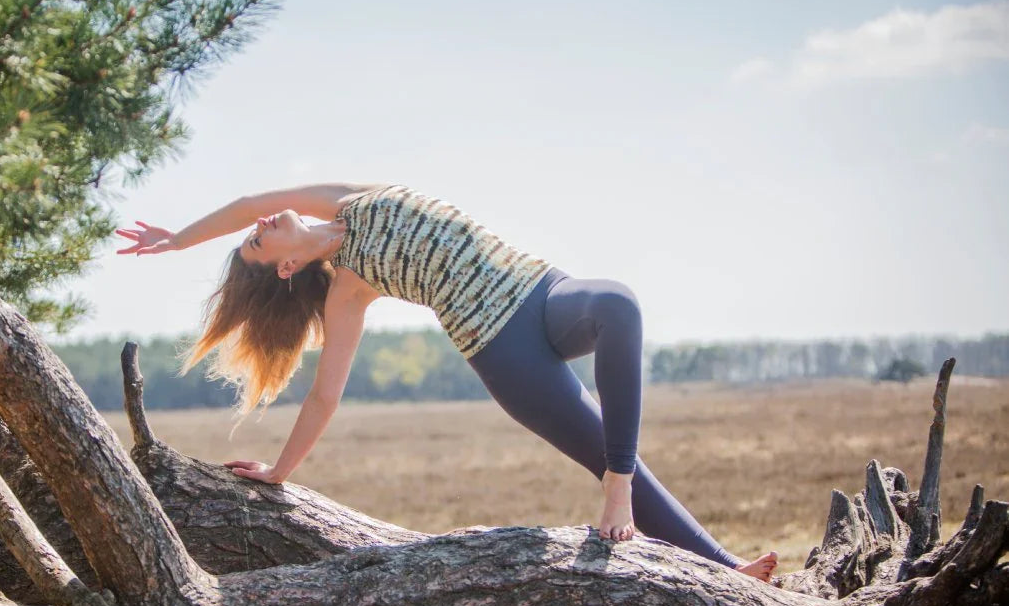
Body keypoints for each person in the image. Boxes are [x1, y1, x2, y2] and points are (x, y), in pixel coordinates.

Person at [115, 183, 779, 582]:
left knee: (619, 305)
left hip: (542, 290)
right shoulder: (348, 290)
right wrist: (280, 472)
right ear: (287, 266)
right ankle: (724, 568)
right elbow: (324, 394)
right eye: (258, 244)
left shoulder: (348, 196)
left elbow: (250, 201)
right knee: (609, 449)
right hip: (503, 352)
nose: (261, 225)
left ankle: (623, 491)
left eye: (256, 233)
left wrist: (177, 239)